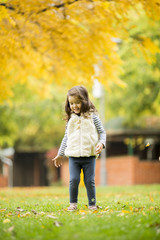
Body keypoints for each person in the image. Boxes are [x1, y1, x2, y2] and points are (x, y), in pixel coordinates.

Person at [52, 86, 106, 211]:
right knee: (74, 179)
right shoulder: (71, 120)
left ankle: (92, 204)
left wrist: (101, 143)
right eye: (71, 103)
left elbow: (102, 132)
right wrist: (60, 154)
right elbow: (66, 137)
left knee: (89, 181)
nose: (74, 106)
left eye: (77, 102)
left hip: (89, 156)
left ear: (84, 101)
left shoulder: (93, 117)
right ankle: (73, 204)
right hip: (74, 157)